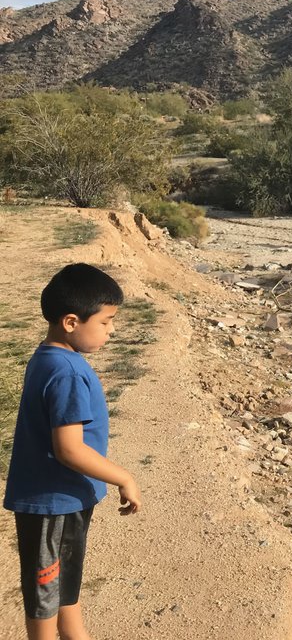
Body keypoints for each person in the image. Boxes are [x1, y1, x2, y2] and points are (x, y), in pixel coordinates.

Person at [3, 263, 142, 640]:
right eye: (106, 322)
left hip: (67, 499)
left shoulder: (51, 357)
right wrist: (123, 477)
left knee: (64, 579)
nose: (112, 331)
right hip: (51, 502)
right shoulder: (65, 372)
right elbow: (68, 450)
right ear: (70, 321)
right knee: (45, 593)